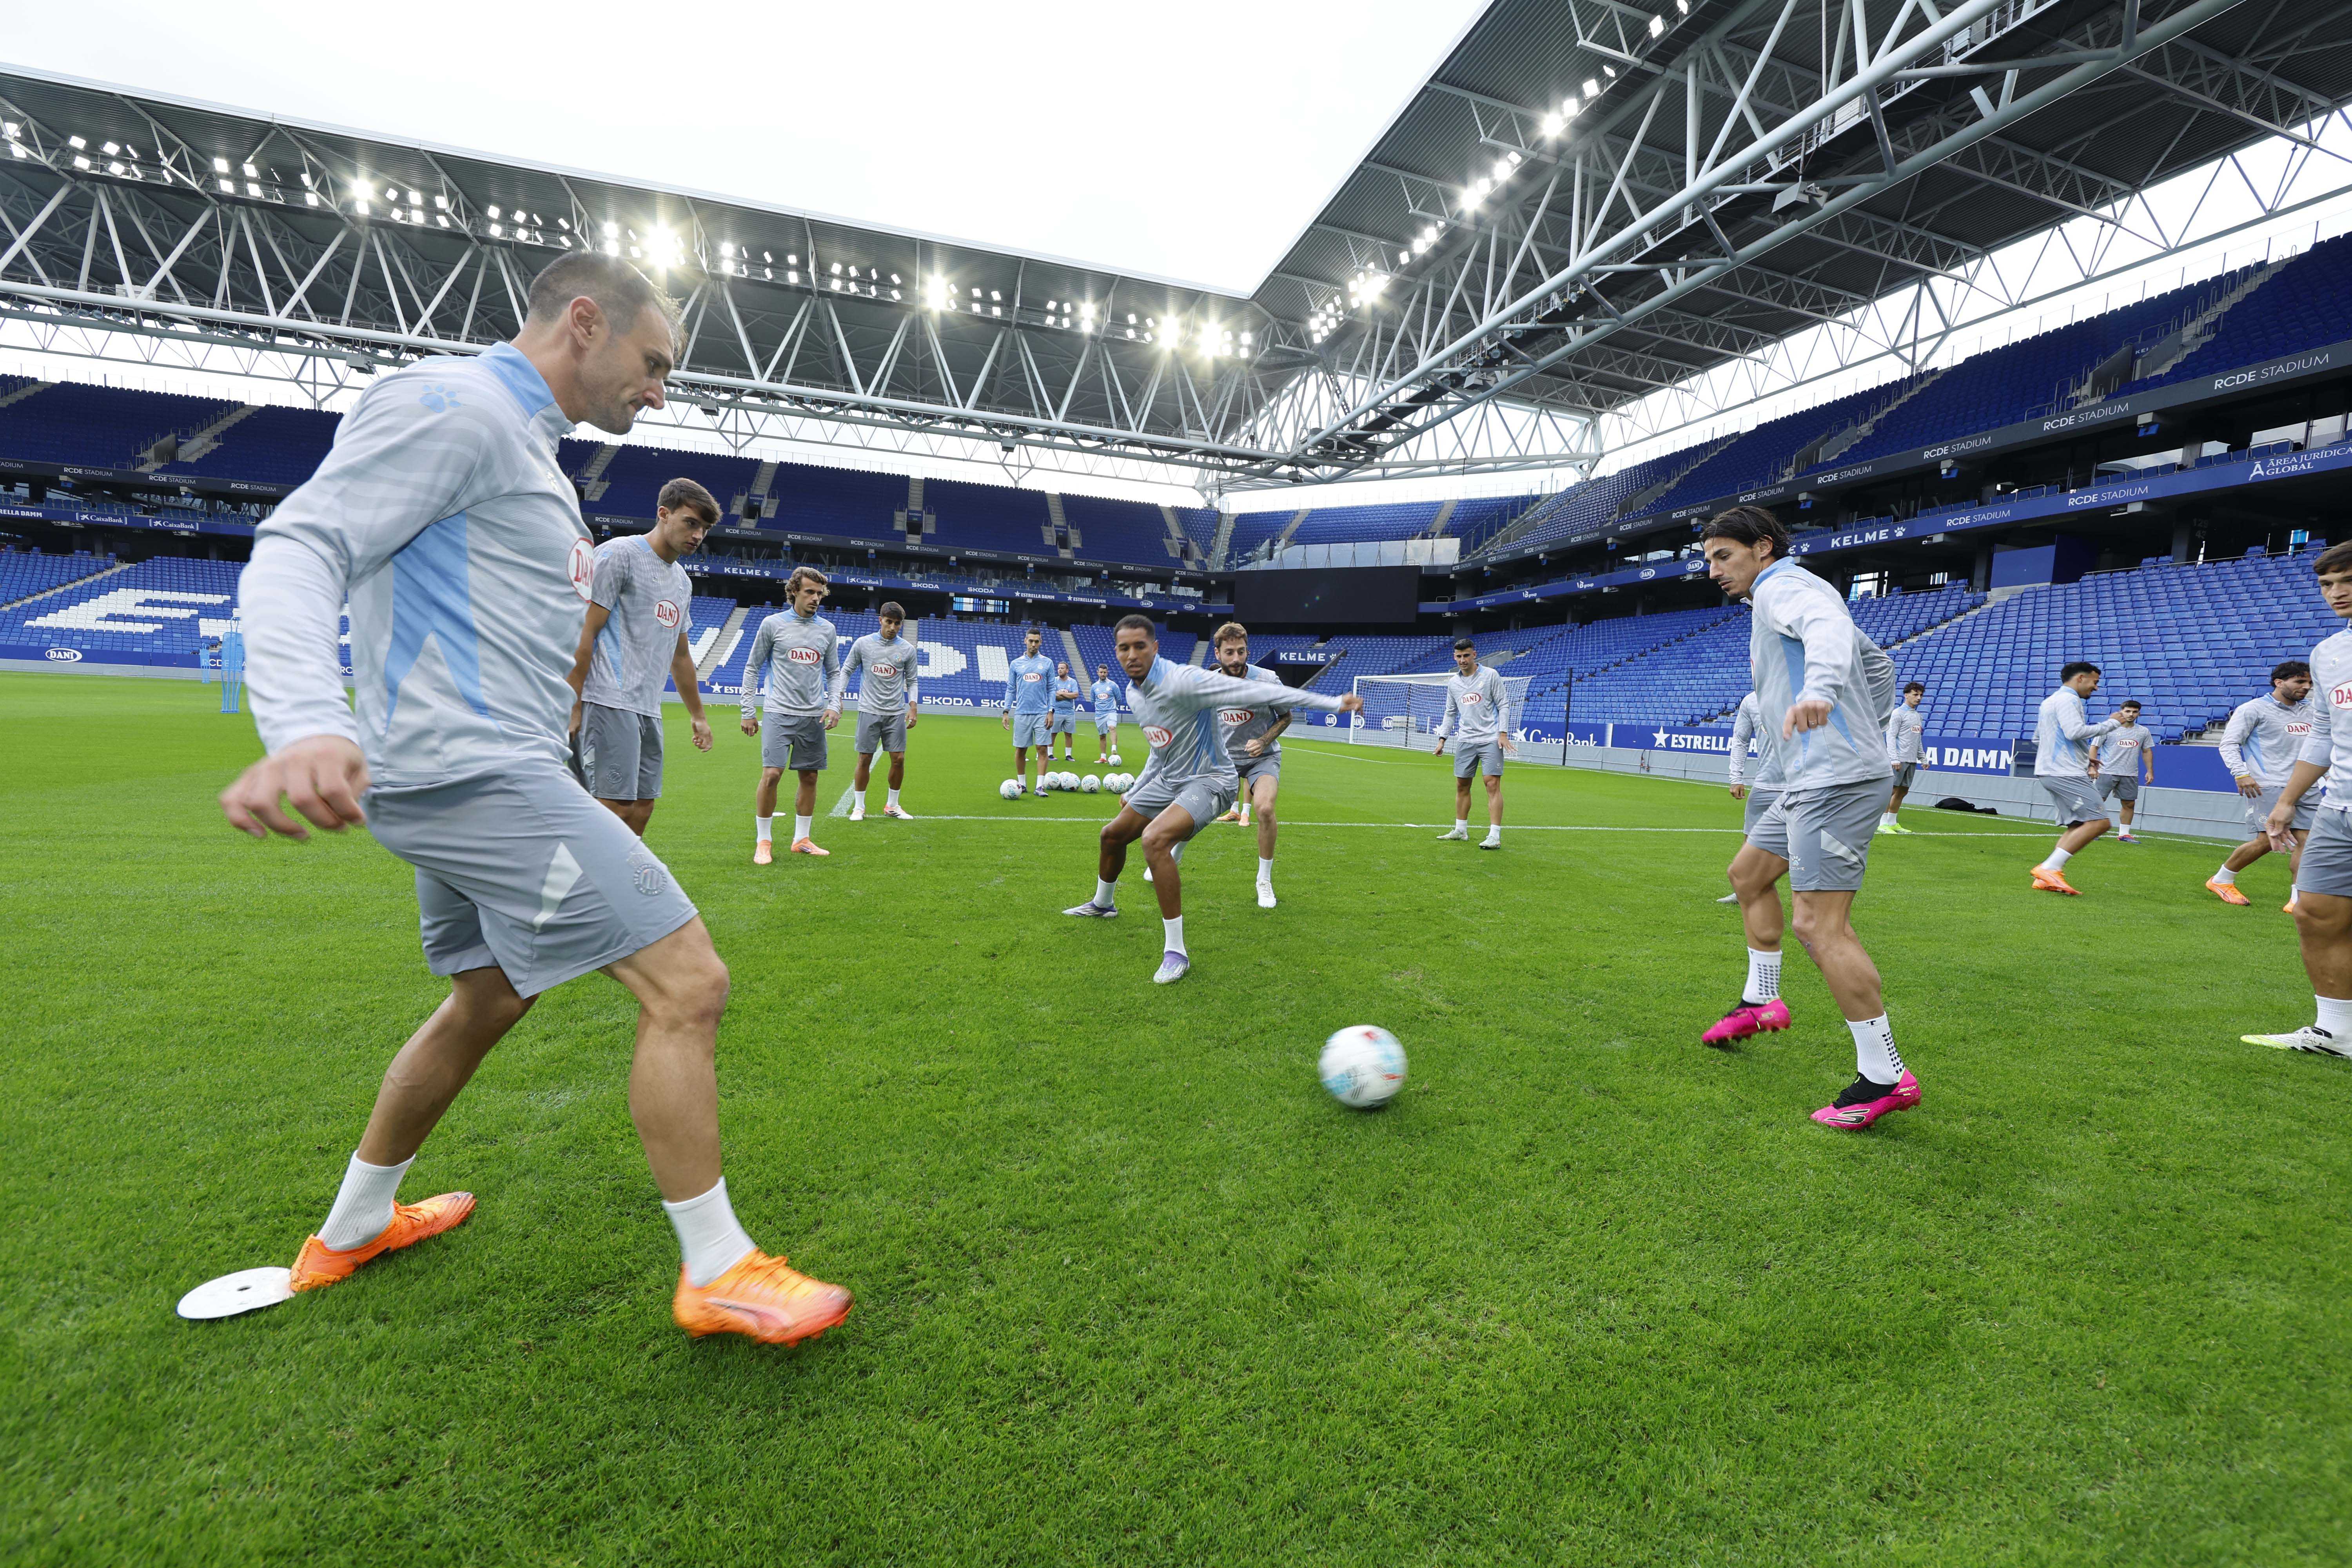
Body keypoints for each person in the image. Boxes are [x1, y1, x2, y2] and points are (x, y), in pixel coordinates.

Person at [218, 250, 850, 1344]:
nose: (661, 391)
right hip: (472, 776)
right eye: (653, 364)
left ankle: (354, 1228)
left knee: (489, 997)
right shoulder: (453, 407)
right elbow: (299, 547)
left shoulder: (531, 453)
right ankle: (718, 1267)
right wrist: (306, 724)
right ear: (585, 323)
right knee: (688, 982)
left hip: (480, 772)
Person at [1696, 506, 1913, 1131]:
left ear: (1763, 548)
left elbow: (1827, 629)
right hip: (1804, 777)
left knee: (1821, 928)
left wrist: (1821, 694)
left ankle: (1885, 1075)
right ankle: (1762, 1001)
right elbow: (1878, 668)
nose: (1714, 570)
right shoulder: (1782, 589)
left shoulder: (1784, 588)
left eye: (1723, 556)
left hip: (1835, 782)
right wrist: (1854, 724)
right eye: (1709, 559)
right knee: (1748, 876)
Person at [1061, 615, 1361, 982]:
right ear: (1117, 653)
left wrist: (1332, 703)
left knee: (1155, 841)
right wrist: (1137, 789)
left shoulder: (1186, 680)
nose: (1132, 654)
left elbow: (1264, 694)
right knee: (1111, 835)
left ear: (1155, 648)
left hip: (1212, 780)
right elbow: (1161, 750)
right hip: (1171, 779)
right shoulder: (1134, 693)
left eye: (1141, 646)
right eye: (1124, 647)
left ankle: (1176, 952)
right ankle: (1103, 905)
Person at [2242, 545, 2352, 1057]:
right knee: (2313, 912)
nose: (2338, 593)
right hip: (2338, 807)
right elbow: (2325, 735)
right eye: (2328, 585)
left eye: (2346, 581)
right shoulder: (2327, 654)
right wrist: (2287, 802)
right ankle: (2337, 1034)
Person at [566, 479, 717, 836]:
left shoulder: (682, 581)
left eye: (705, 529)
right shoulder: (619, 554)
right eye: (691, 523)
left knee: (643, 807)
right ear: (664, 514)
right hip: (608, 699)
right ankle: (582, 887)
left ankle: (615, 885)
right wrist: (571, 704)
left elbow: (680, 656)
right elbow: (583, 632)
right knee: (614, 806)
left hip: (648, 708)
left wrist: (698, 716)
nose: (698, 535)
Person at [740, 567, 844, 861]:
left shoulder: (827, 630)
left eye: (820, 594)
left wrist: (834, 704)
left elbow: (834, 673)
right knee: (772, 774)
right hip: (778, 712)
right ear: (795, 591)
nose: (815, 598)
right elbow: (752, 667)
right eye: (810, 592)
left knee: (809, 777)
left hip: (813, 716)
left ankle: (802, 839)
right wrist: (748, 711)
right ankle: (764, 841)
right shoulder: (773, 625)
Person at [2211, 662, 2316, 910]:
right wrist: (2241, 774)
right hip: (2268, 783)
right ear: (2279, 682)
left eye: (2309, 683)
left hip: (2306, 785)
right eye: (2300, 682)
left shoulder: (2312, 711)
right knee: (2269, 840)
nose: (2306, 688)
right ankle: (2222, 880)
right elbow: (2228, 744)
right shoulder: (2253, 709)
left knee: (2308, 841)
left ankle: (2299, 900)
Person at [1206, 621, 1290, 909]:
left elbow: (1286, 717)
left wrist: (1265, 740)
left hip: (1262, 759)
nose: (1236, 659)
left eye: (1241, 652)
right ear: (1217, 654)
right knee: (1196, 809)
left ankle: (1264, 881)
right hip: (1223, 759)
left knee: (1265, 809)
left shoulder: (1267, 680)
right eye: (1229, 652)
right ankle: (1175, 853)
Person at [2028, 662, 2132, 895]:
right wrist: (2113, 723)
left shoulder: (2050, 701)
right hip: (2064, 773)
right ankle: (2050, 869)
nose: (2096, 688)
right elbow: (2074, 732)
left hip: (2053, 771)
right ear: (2081, 679)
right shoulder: (2069, 700)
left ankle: (2047, 877)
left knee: (2078, 825)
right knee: (2100, 822)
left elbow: (2039, 739)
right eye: (2095, 682)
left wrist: (2083, 758)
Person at [1433, 637, 1516, 849]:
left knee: (1492, 784)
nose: (1463, 660)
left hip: (1490, 739)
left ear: (1474, 655)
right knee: (1462, 785)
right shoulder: (1453, 683)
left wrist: (1503, 733)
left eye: (1466, 655)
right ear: (1455, 657)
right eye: (1459, 656)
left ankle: (1494, 836)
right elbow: (1450, 713)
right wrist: (1443, 739)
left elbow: (1504, 705)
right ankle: (1461, 831)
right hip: (1465, 741)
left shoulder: (1490, 676)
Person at [841, 600, 920, 821]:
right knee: (865, 758)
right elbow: (846, 670)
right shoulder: (863, 644)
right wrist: (838, 696)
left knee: (899, 759)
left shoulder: (907, 650)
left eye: (897, 624)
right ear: (880, 620)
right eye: (889, 622)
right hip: (869, 709)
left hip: (895, 712)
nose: (893, 627)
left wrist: (913, 707)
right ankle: (859, 807)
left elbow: (912, 681)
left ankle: (892, 805)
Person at [1718, 689, 1783, 904]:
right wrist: (1736, 777)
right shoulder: (1752, 701)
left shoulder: (1807, 691)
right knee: (1751, 843)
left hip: (1804, 786)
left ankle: (1812, 899)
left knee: (1806, 846)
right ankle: (1745, 892)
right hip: (1765, 785)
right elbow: (1740, 740)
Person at [1000, 628, 1054, 794]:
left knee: (1042, 749)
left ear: (1041, 642)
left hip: (1041, 713)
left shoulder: (1047, 663)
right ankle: (1022, 784)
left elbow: (1052, 688)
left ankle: (1040, 786)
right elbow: (1011, 689)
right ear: (1025, 641)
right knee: (1021, 750)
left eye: (1037, 641)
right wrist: (1006, 711)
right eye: (1031, 641)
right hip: (1022, 713)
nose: (1034, 644)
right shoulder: (1016, 663)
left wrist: (1051, 711)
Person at [2096, 701, 2157, 844]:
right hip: (2107, 771)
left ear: (2139, 714)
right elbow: (2094, 747)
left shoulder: (2143, 731)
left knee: (2129, 804)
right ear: (2121, 711)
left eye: (2135, 712)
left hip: (2130, 774)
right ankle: (2091, 830)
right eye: (2128, 711)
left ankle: (2124, 834)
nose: (2131, 714)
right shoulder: (2108, 728)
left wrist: (2150, 771)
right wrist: (2092, 766)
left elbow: (2147, 751)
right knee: (2097, 801)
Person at [1880, 681, 1926, 834]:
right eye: (1915, 695)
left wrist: (1923, 759)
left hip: (1912, 760)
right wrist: (1894, 758)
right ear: (1906, 695)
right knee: (1891, 790)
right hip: (1899, 759)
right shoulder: (1898, 713)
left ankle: (1892, 823)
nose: (1918, 698)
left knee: (1902, 792)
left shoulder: (1918, 716)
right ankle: (1882, 823)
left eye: (1920, 695)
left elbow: (1918, 740)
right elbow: (1891, 737)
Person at [1051, 660, 1082, 766]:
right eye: (1059, 668)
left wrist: (1061, 694)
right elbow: (1054, 696)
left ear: (1067, 670)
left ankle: (1068, 755)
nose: (1060, 670)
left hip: (1069, 712)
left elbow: (1075, 695)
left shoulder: (1072, 682)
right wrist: (1068, 695)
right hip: (1057, 711)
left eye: (1062, 668)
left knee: (1069, 734)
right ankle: (1050, 754)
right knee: (1053, 733)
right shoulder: (1054, 681)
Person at [1090, 662, 1121, 765]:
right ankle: (1103, 758)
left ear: (1107, 673)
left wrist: (1111, 706)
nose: (1103, 674)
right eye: (1101, 672)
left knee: (1112, 728)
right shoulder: (1094, 687)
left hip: (1111, 712)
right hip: (1100, 714)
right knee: (1102, 736)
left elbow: (1119, 699)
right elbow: (1093, 701)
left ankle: (1114, 749)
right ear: (1098, 673)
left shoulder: (1113, 685)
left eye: (1105, 672)